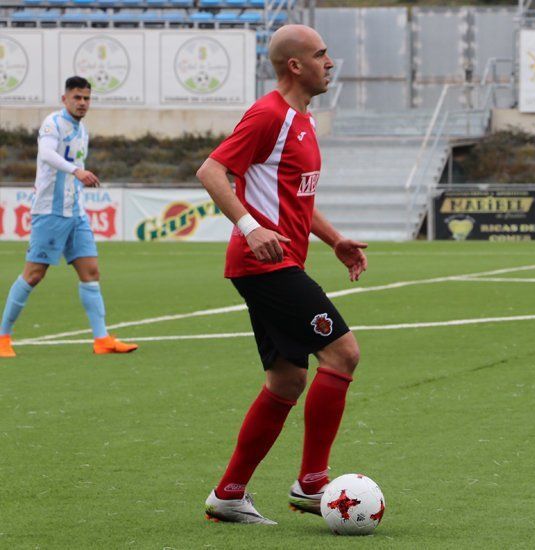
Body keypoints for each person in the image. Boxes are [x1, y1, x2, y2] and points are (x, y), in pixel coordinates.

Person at [196, 24, 368, 525]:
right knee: (343, 353)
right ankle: (313, 484)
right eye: (321, 53)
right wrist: (250, 228)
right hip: (265, 264)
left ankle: (228, 495)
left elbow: (297, 199)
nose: (330, 62)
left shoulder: (304, 121)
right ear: (295, 65)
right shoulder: (269, 114)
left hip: (278, 262)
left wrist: (334, 239)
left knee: (288, 380)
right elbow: (211, 171)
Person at [0, 76, 138, 358]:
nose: (83, 103)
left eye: (87, 98)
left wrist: (74, 177)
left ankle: (101, 340)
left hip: (75, 212)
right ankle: (3, 337)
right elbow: (46, 154)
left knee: (90, 272)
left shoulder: (82, 130)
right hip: (51, 211)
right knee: (34, 274)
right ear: (65, 99)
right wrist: (76, 171)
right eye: (77, 97)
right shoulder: (54, 123)